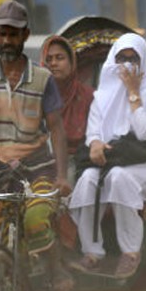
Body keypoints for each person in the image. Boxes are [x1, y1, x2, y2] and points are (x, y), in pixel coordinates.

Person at [0, 0, 73, 291]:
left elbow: (56, 128)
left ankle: (56, 272)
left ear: (25, 35)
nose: (6, 41)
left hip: (39, 169)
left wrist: (63, 176)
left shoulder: (43, 79)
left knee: (36, 219)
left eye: (13, 35)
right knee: (0, 233)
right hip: (2, 172)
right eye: (2, 34)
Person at [68, 33, 146, 279]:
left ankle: (131, 252)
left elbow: (145, 130)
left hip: (144, 164)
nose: (126, 64)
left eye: (132, 58)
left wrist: (133, 92)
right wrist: (94, 144)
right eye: (121, 58)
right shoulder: (101, 97)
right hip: (110, 159)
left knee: (117, 177)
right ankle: (92, 252)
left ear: (143, 61)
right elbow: (93, 132)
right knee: (87, 180)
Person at [40, 35, 96, 184]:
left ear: (72, 63)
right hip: (42, 163)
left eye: (59, 58)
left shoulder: (89, 96)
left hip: (81, 163)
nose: (53, 63)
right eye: (49, 59)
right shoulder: (36, 96)